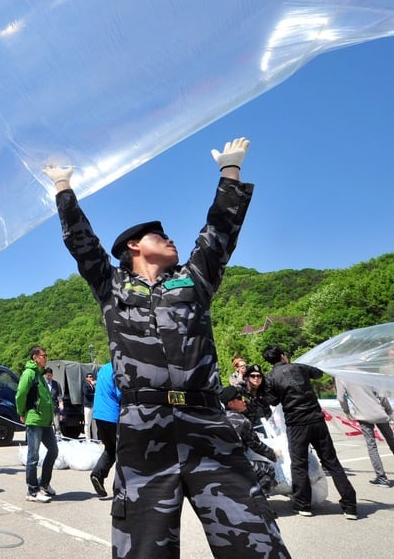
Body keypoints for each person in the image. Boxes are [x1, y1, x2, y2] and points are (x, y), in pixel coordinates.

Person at [44, 138, 289, 558]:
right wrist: (64, 188)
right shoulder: (112, 285)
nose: (170, 238)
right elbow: (83, 245)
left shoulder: (192, 282)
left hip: (206, 419)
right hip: (144, 424)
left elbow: (218, 237)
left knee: (254, 537)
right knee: (143, 544)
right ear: (134, 248)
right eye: (160, 235)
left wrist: (230, 172)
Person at [262, 345, 357, 519]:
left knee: (299, 464)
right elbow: (318, 373)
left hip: (296, 424)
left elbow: (273, 401)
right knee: (332, 462)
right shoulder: (299, 367)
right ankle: (350, 505)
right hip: (316, 419)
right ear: (283, 356)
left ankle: (303, 505)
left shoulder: (270, 378)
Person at [335, 377, 394, 487]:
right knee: (392, 442)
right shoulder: (364, 374)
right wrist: (389, 411)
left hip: (363, 415)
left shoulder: (341, 377)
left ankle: (382, 478)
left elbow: (341, 398)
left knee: (372, 446)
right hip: (380, 413)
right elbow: (382, 396)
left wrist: (346, 411)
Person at [15, 345, 59, 503]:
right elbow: (20, 394)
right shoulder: (29, 373)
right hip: (34, 419)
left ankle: (44, 484)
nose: (45, 358)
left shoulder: (40, 374)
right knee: (33, 456)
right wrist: (21, 412)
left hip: (45, 421)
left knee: (53, 450)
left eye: (46, 355)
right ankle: (32, 491)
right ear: (35, 357)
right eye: (43, 355)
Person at [220, 385, 278, 496]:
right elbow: (256, 445)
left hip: (216, 464)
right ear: (230, 404)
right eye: (239, 398)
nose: (244, 401)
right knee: (268, 469)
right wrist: (274, 455)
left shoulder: (218, 417)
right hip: (233, 466)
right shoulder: (241, 421)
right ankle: (259, 503)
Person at [89, 361, 120, 497]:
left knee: (110, 448)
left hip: (99, 414)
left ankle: (97, 474)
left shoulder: (103, 369)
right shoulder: (119, 368)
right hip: (112, 415)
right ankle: (119, 488)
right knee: (122, 452)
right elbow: (120, 394)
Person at [241, 364, 273, 432]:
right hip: (252, 429)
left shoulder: (265, 391)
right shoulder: (241, 393)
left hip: (269, 425)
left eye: (259, 376)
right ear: (247, 377)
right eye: (253, 376)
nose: (256, 378)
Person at [44, 366, 64, 433]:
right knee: (47, 424)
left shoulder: (56, 384)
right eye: (47, 375)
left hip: (54, 407)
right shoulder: (43, 384)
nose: (48, 377)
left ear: (52, 375)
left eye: (50, 375)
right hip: (46, 407)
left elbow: (59, 395)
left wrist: (60, 403)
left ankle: (58, 437)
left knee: (56, 424)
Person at [82, 372, 97, 440]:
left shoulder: (93, 385)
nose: (90, 378)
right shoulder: (85, 385)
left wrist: (94, 385)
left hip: (93, 406)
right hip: (88, 406)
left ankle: (95, 438)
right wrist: (94, 394)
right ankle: (88, 439)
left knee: (94, 424)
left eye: (91, 376)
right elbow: (86, 393)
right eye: (89, 376)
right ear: (86, 378)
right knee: (87, 423)